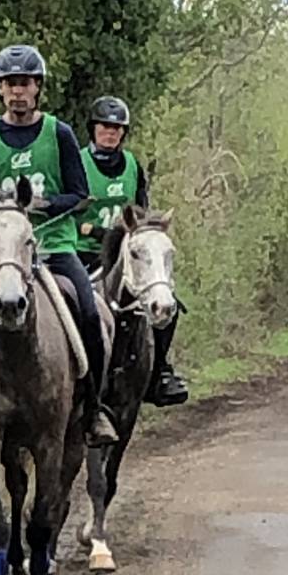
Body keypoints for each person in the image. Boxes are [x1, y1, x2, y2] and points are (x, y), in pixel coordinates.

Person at [0, 44, 118, 452]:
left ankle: (95, 409)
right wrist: (1, 215)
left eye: (25, 84)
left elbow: (81, 194)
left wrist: (42, 206)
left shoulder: (60, 133)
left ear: (37, 88)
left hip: (54, 245)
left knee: (88, 310)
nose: (18, 92)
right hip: (1, 254)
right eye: (10, 84)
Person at [76, 95, 187, 407]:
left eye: (116, 128)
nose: (110, 133)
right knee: (74, 302)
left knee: (169, 303)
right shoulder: (77, 163)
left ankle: (159, 373)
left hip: (125, 254)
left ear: (123, 133)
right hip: (83, 251)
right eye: (104, 127)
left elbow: (142, 214)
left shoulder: (133, 167)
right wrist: (98, 232)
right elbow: (67, 215)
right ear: (93, 129)